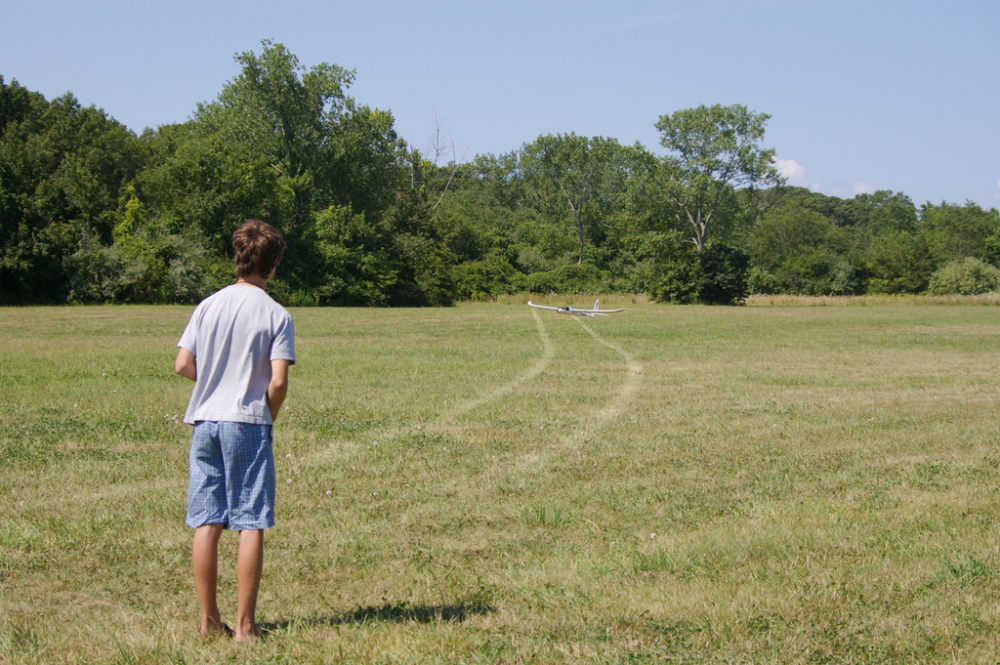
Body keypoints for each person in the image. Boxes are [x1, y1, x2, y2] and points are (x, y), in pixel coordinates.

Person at [174, 219, 295, 642]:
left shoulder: (208, 305)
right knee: (250, 522)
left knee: (206, 520)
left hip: (205, 421)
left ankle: (208, 623)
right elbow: (278, 381)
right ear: (274, 262)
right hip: (247, 422)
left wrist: (216, 385)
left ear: (237, 256)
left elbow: (182, 364)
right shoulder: (276, 314)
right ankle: (244, 627)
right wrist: (267, 412)